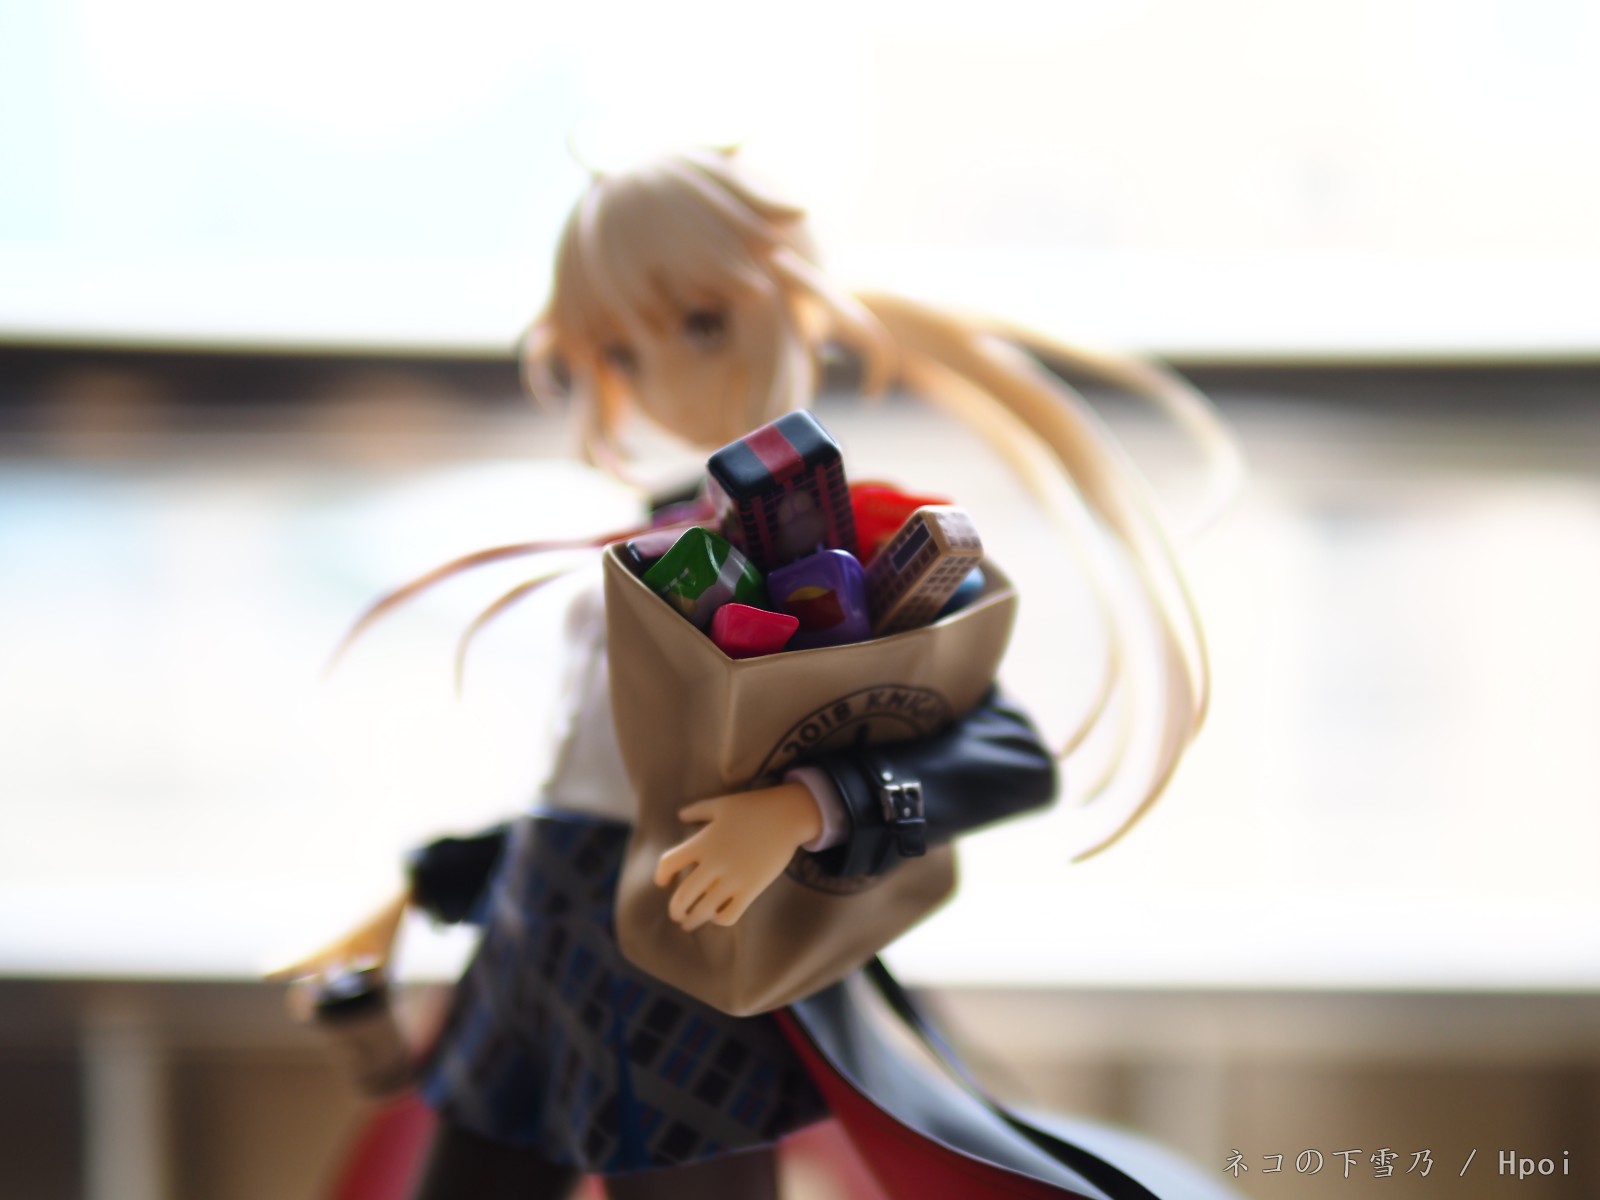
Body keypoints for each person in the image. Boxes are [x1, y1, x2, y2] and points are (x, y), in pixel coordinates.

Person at [283, 148, 1239, 1200]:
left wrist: (802, 810)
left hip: (688, 967)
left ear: (798, 303)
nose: (669, 374)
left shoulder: (874, 545)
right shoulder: (656, 534)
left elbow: (1003, 758)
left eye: (703, 324)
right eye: (623, 350)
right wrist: (420, 889)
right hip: (532, 950)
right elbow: (598, 783)